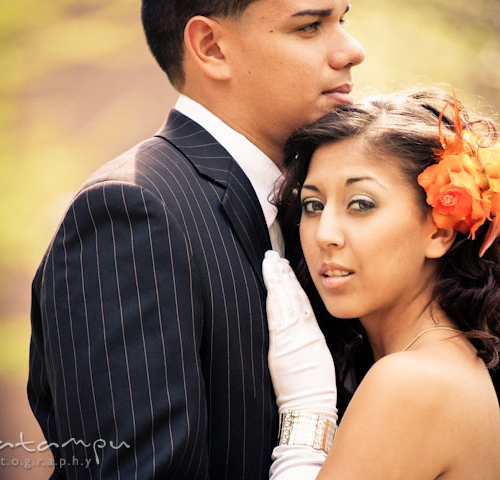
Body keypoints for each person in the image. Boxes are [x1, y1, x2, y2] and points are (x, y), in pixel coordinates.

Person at [27, 0, 364, 478]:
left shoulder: (314, 208)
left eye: (342, 21)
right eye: (310, 26)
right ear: (211, 48)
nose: (353, 51)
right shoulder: (131, 212)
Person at [263, 87, 500, 479]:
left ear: (439, 232)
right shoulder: (442, 363)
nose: (325, 234)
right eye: (313, 205)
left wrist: (306, 410)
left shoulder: (412, 381)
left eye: (361, 204)